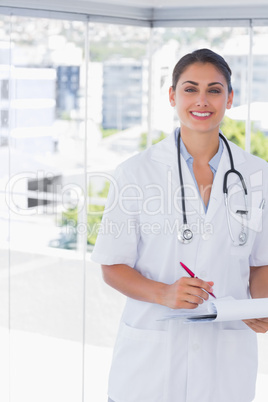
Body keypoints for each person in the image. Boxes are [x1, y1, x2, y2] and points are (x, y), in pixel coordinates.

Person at [91, 49, 268, 402]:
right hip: (150, 364)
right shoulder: (136, 172)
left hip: (226, 363)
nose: (202, 100)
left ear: (230, 98)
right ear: (172, 96)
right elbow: (111, 266)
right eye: (190, 89)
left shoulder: (256, 174)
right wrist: (164, 293)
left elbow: (260, 262)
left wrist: (261, 305)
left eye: (214, 90)